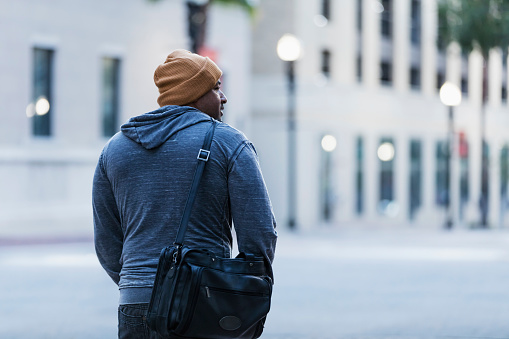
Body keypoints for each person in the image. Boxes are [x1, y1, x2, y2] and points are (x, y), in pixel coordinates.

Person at [92, 49, 278, 339]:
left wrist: (141, 283)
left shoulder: (115, 148)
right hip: (204, 300)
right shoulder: (228, 142)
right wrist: (245, 291)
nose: (224, 97)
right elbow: (260, 232)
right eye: (216, 88)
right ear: (194, 93)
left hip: (135, 305)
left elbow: (107, 241)